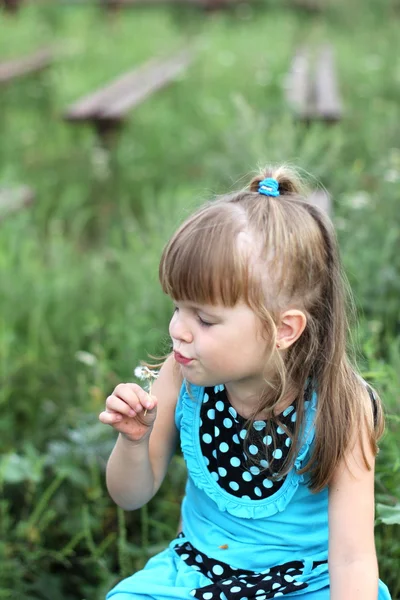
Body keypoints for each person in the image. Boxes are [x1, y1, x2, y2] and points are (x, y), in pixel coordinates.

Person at [99, 165, 391, 600]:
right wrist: (133, 443)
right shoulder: (183, 376)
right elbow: (130, 496)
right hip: (195, 576)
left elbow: (352, 559)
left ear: (284, 329)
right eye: (178, 307)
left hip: (305, 585)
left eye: (205, 318)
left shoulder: (341, 407)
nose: (178, 329)